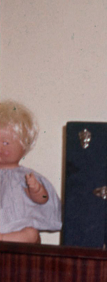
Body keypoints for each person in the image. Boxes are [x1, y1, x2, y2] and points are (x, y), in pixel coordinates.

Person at [0, 99, 62, 243]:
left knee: (31, 234)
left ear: (24, 146)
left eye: (5, 143)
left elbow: (44, 199)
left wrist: (37, 190)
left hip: (17, 228)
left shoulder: (25, 177)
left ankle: (3, 239)